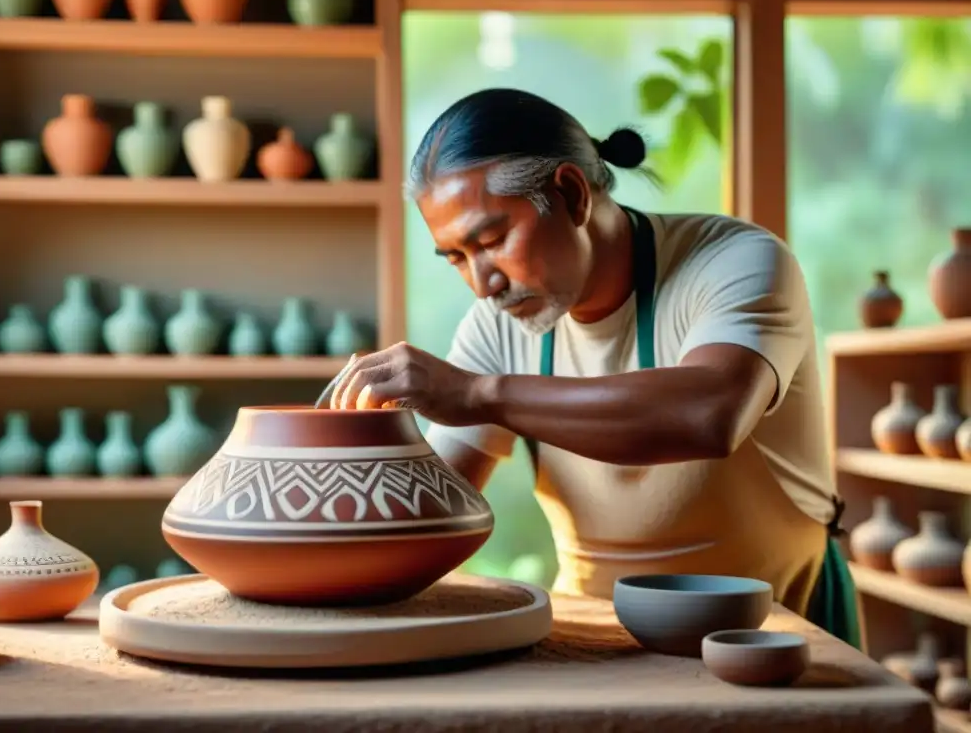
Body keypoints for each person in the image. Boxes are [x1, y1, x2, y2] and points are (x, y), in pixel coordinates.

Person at [328, 87, 860, 647]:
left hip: (775, 631)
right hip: (597, 641)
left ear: (571, 194)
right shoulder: (498, 324)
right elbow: (434, 505)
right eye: (457, 258)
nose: (483, 284)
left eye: (492, 239)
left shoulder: (733, 261)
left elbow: (711, 411)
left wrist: (481, 395)